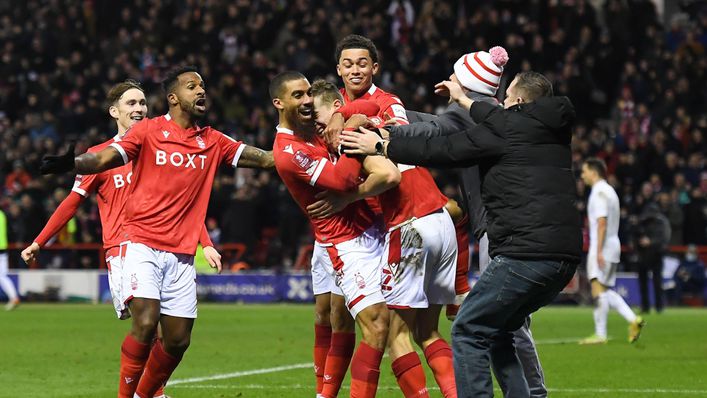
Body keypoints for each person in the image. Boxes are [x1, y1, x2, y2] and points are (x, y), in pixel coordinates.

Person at [39, 65, 274, 398]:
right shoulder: (147, 132)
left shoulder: (213, 141)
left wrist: (309, 149)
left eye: (203, 85)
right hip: (140, 243)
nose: (202, 91)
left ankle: (144, 394)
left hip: (180, 255)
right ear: (174, 98)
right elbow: (105, 158)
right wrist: (73, 163)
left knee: (178, 340)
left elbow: (265, 159)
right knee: (146, 322)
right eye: (193, 86)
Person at [343, 71, 581, 398]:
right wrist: (462, 98)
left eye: (507, 98)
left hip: (524, 253)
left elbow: (445, 149)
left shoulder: (506, 129)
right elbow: (493, 115)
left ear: (520, 103)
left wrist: (384, 144)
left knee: (468, 330)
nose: (500, 103)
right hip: (562, 256)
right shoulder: (549, 127)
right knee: (499, 331)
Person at [21, 80, 221, 398]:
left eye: (142, 102)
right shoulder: (100, 156)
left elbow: (182, 203)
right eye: (131, 103)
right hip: (124, 248)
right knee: (148, 323)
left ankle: (151, 392)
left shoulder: (158, 150)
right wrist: (40, 241)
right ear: (115, 111)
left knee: (166, 332)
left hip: (163, 244)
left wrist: (205, 242)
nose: (139, 108)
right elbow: (72, 202)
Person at [378, 46, 549, 397]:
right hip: (509, 228)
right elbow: (428, 121)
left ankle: (533, 392)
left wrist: (382, 129)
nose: (449, 81)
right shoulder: (488, 118)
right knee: (508, 323)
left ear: (468, 86)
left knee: (494, 325)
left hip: (500, 231)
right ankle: (531, 391)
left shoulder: (470, 119)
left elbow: (428, 130)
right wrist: (387, 108)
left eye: (456, 76)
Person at [308, 79, 458, 398]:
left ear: (337, 110)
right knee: (428, 332)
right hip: (442, 219)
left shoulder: (350, 135)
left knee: (395, 335)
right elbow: (369, 107)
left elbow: (389, 176)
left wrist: (348, 197)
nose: (319, 128)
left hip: (411, 227)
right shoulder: (384, 124)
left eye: (320, 119)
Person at [269, 71, 399, 398]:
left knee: (390, 325)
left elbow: (369, 103)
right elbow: (342, 183)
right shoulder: (289, 150)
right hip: (344, 242)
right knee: (366, 323)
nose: (307, 101)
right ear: (279, 103)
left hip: (372, 230)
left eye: (308, 94)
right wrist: (352, 129)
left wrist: (342, 115)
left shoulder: (315, 127)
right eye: (297, 96)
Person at [579, 158, 644, 345]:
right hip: (613, 244)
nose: (582, 176)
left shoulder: (598, 193)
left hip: (603, 245)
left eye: (584, 171)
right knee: (605, 290)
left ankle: (600, 334)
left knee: (597, 288)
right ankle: (633, 320)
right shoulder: (610, 191)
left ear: (594, 172)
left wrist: (597, 250)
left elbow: (601, 222)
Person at [635, 203, 671, 313]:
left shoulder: (662, 223)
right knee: (643, 283)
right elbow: (634, 235)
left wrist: (650, 242)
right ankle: (645, 307)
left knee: (657, 282)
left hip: (656, 255)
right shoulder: (641, 222)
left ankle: (659, 307)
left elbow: (663, 239)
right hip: (643, 255)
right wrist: (638, 242)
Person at [0, 208, 20, 311]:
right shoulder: (2, 214)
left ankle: (14, 297)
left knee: (2, 276)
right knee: (2, 276)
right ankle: (14, 297)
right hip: (3, 248)